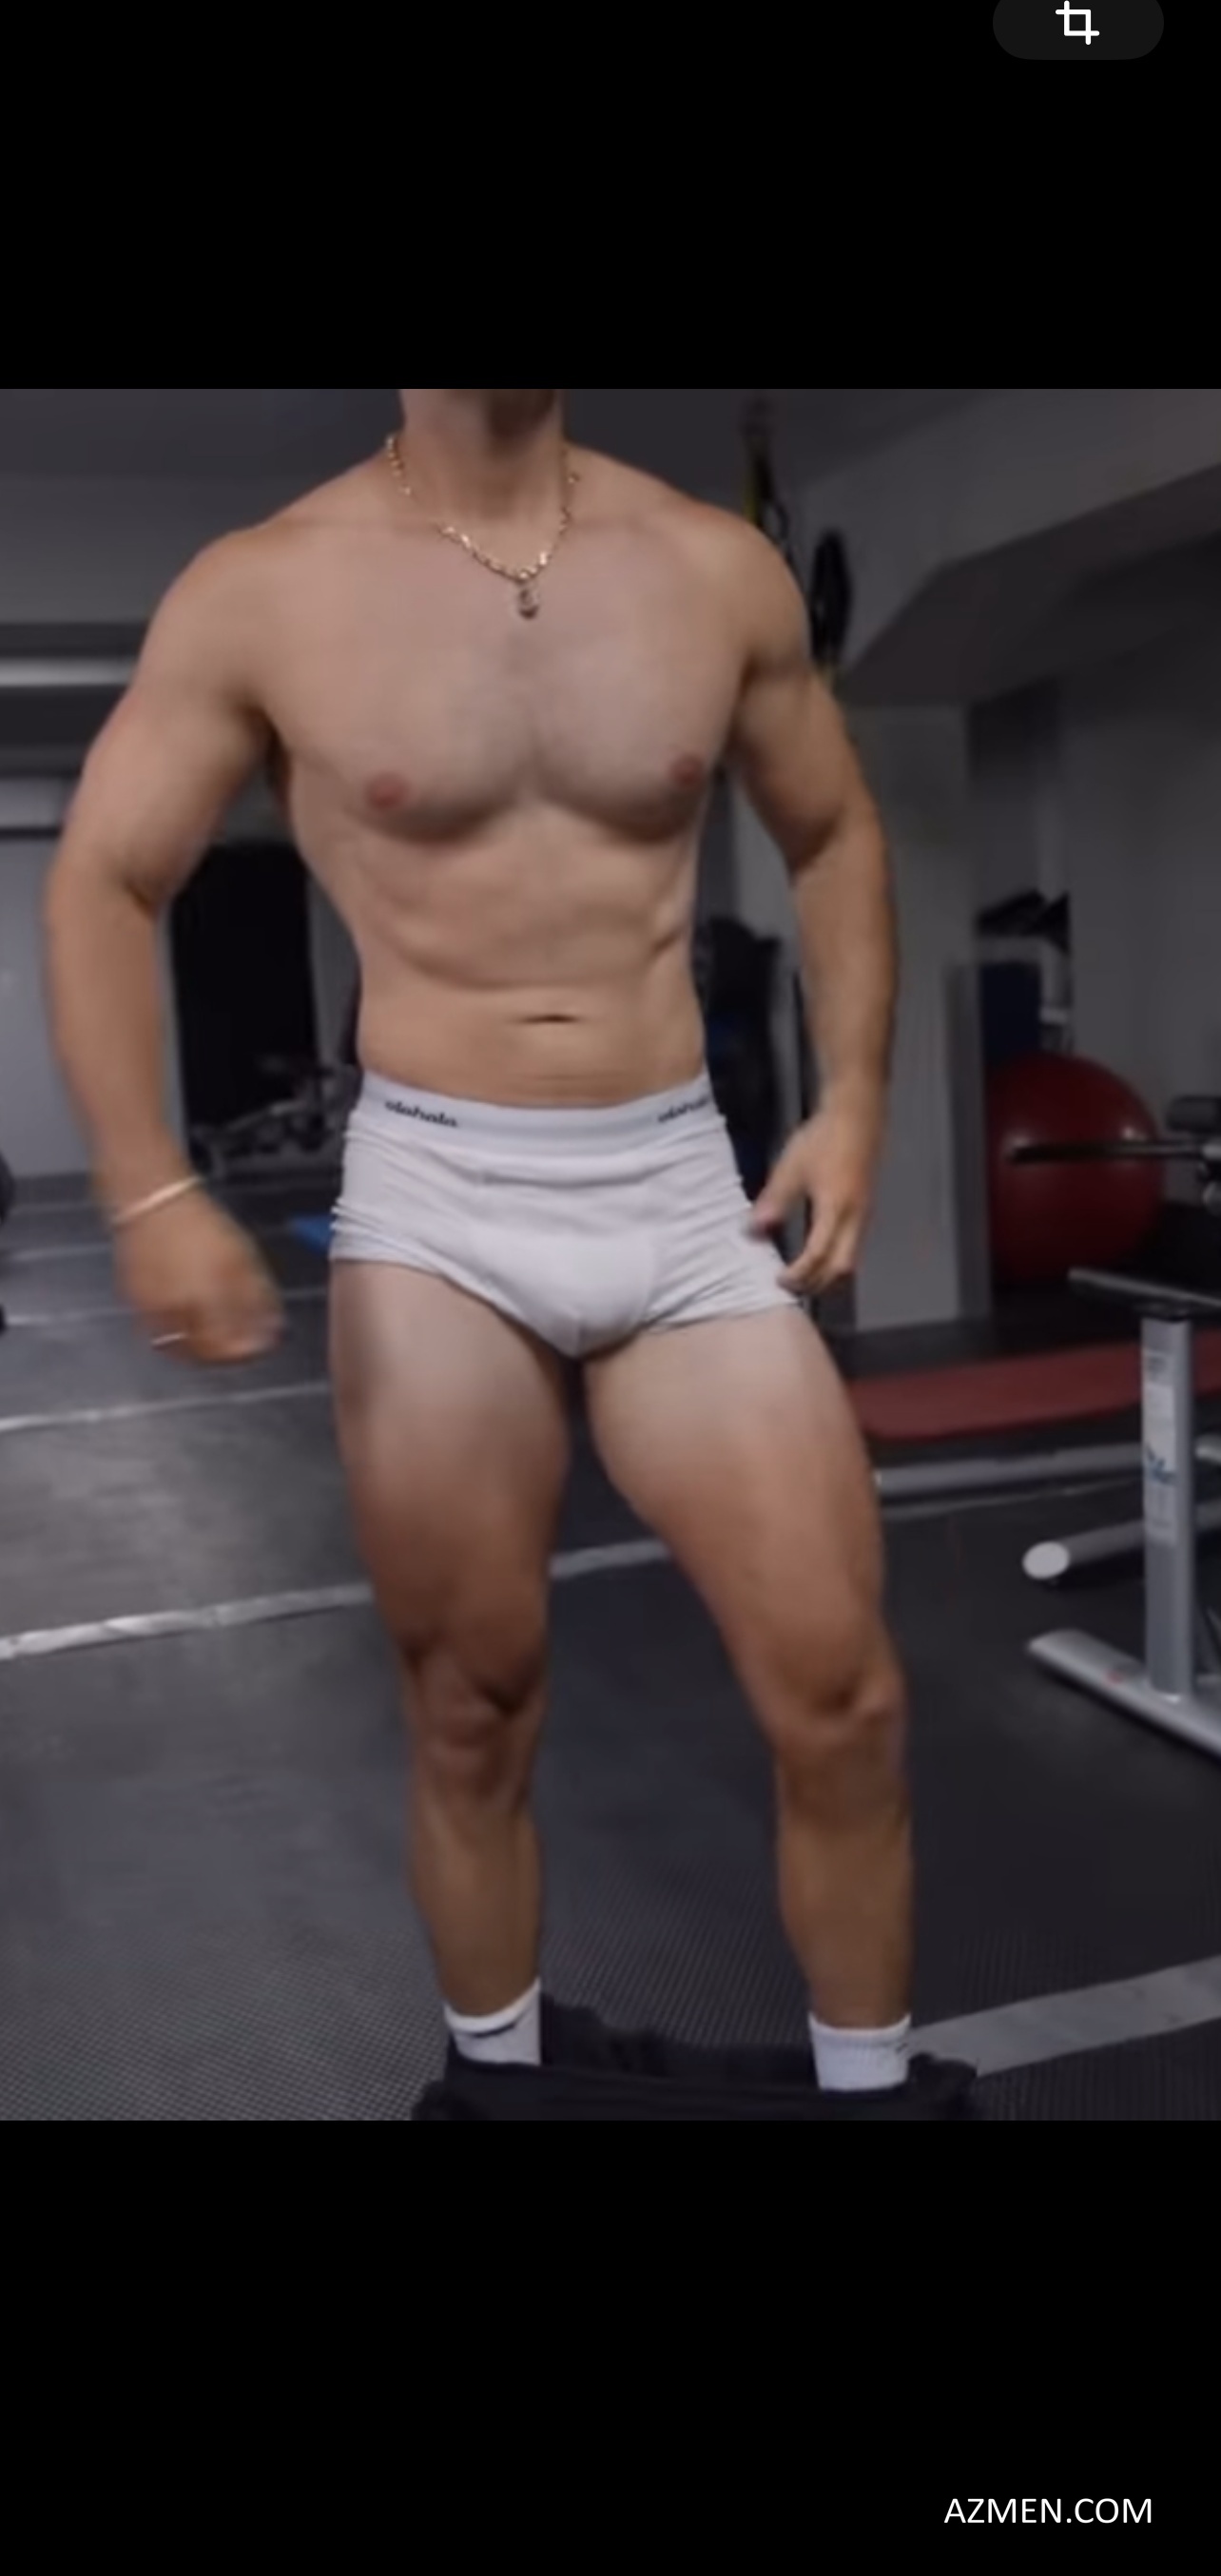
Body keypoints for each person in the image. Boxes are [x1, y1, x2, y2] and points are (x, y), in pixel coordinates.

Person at [46, 386, 970, 2119]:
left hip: (676, 1186)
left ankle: (875, 2096)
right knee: (474, 1704)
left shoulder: (711, 568)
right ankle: (501, 2093)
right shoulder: (264, 588)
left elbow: (833, 828)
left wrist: (854, 1098)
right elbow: (103, 873)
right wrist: (149, 1188)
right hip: (443, 1200)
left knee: (842, 1694)